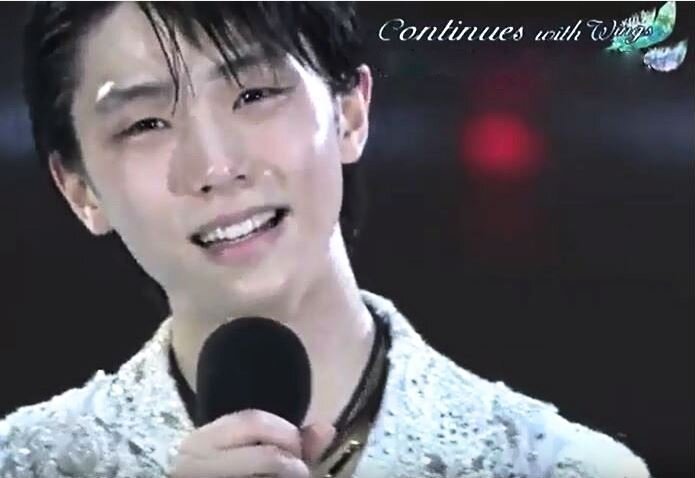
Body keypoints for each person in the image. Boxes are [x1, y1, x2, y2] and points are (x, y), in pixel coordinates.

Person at [0, 2, 650, 477]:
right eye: (145, 124)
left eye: (254, 93)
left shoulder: (557, 465)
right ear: (79, 189)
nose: (215, 166)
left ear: (349, 112)